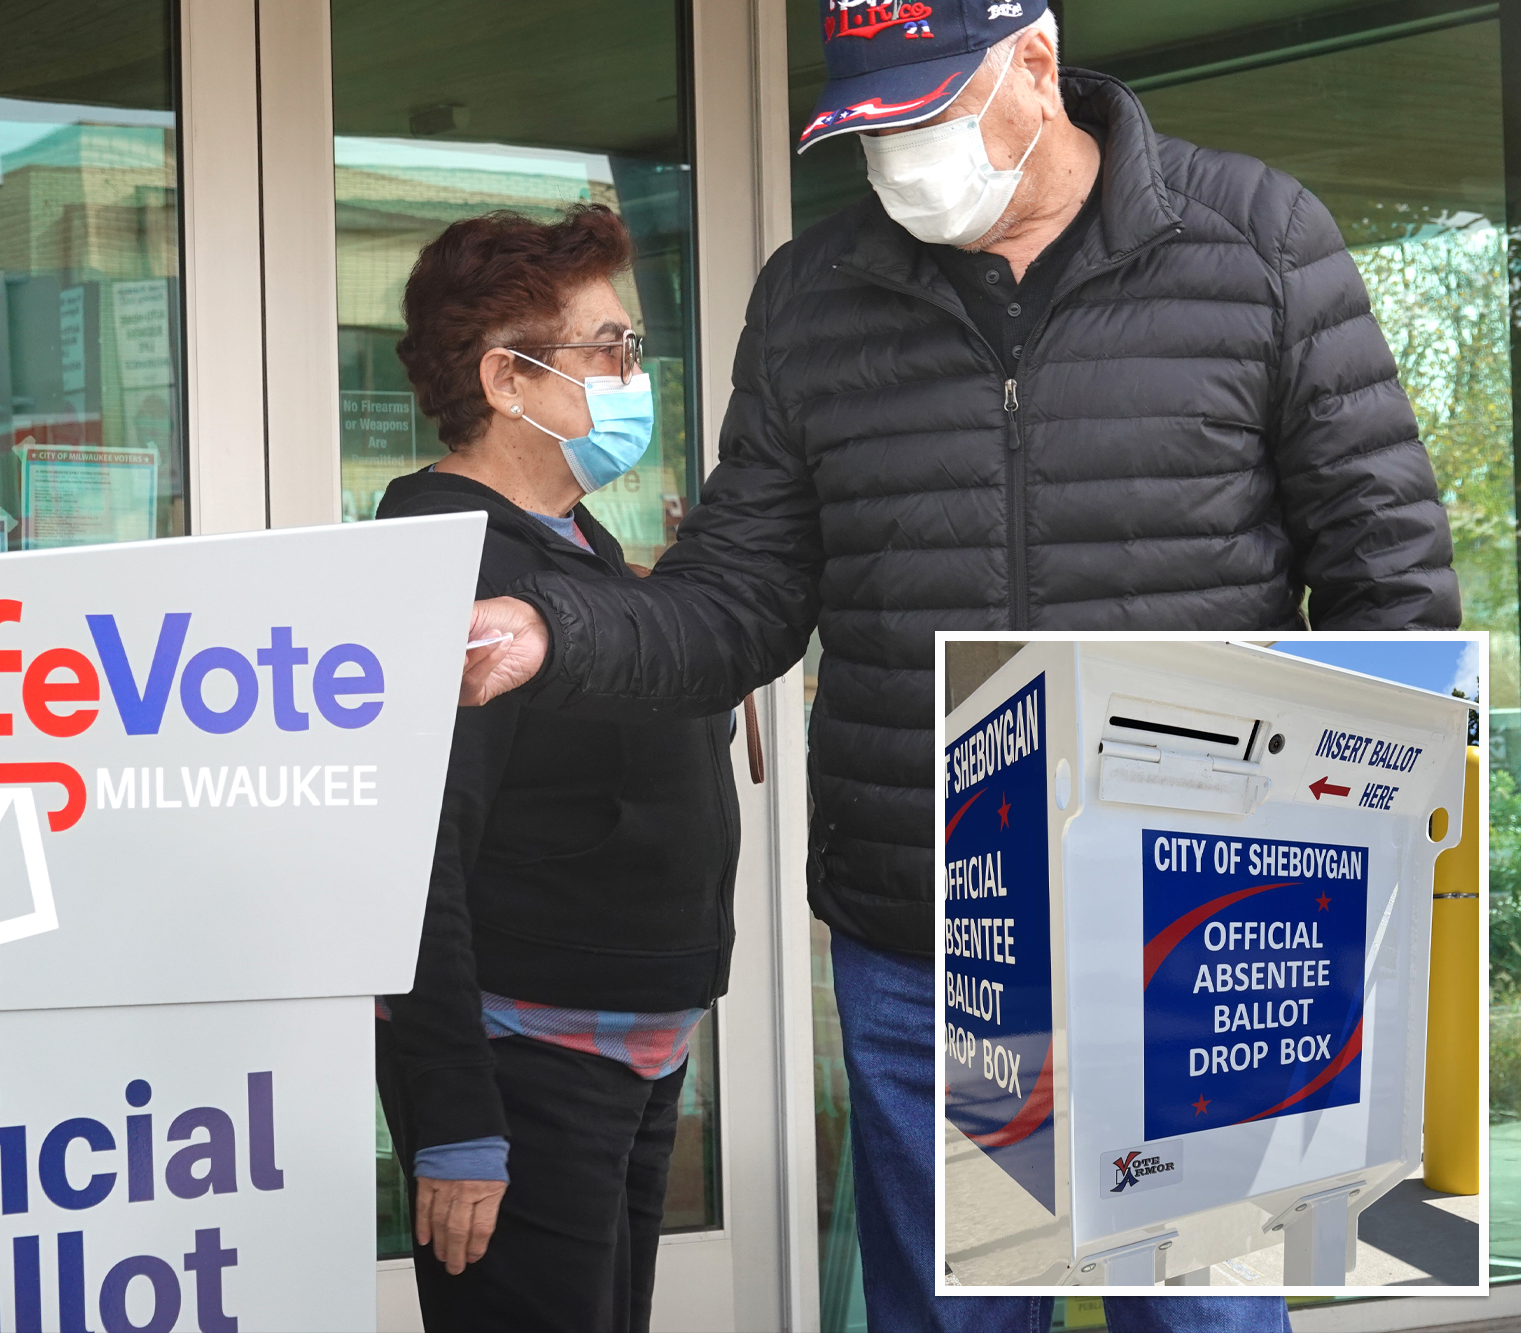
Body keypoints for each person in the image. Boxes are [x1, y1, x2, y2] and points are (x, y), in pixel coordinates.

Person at [460, 2, 1459, 1329]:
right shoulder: (816, 297)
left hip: (1203, 922)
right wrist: (558, 629)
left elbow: (1389, 580)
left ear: (1034, 66)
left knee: (1206, 1318)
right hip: (939, 933)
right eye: (868, 128)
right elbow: (741, 603)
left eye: (924, 116)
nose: (896, 159)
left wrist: (1367, 895)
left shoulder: (1258, 242)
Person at [374, 205, 740, 1333]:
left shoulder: (582, 548)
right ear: (506, 379)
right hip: (525, 1069)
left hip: (630, 1056)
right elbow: (410, 867)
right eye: (608, 347)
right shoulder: (444, 564)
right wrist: (454, 1121)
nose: (634, 374)